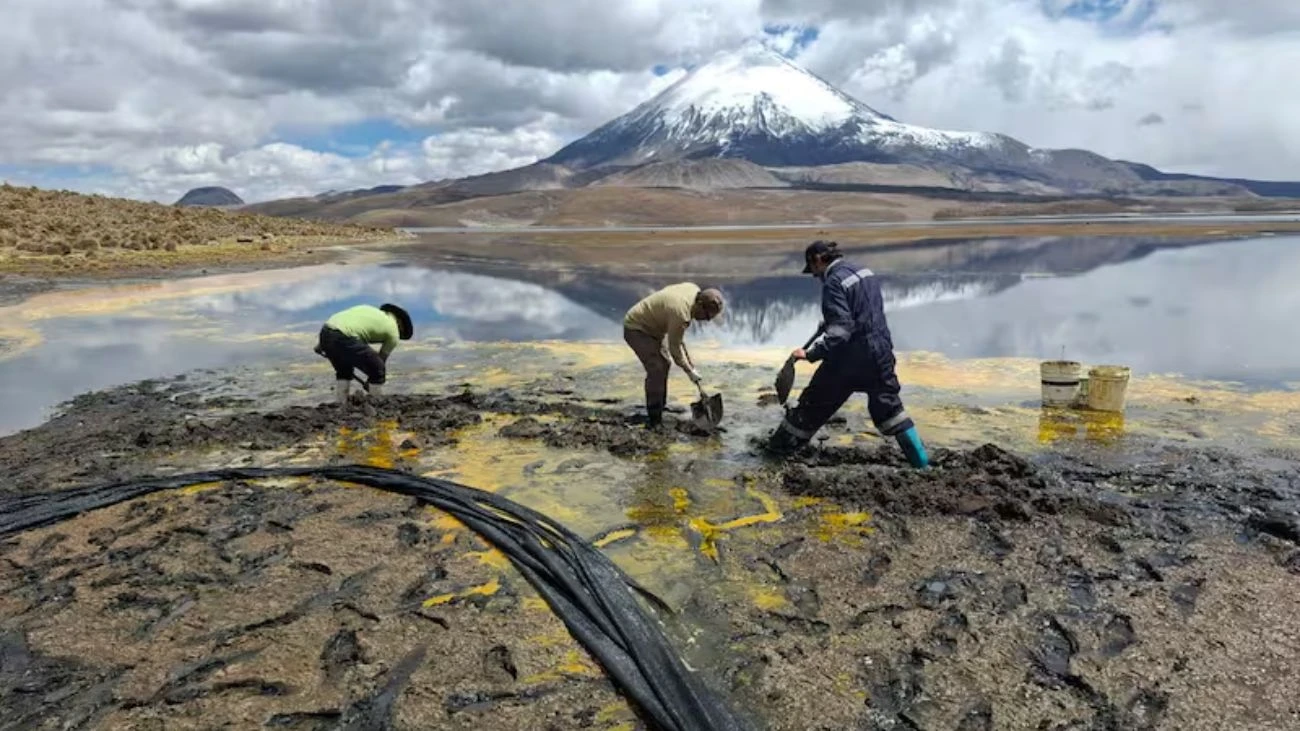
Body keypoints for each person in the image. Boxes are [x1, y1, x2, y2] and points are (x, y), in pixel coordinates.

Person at [766, 241, 929, 468]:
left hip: (848, 360)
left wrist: (810, 353)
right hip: (880, 352)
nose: (815, 276)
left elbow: (841, 332)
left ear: (818, 260)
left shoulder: (833, 283)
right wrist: (833, 320)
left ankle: (775, 453)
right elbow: (864, 311)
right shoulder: (864, 272)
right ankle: (922, 465)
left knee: (812, 405)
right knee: (891, 409)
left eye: (813, 270)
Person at [623, 283, 725, 428]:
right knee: (656, 368)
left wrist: (689, 365)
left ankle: (660, 404)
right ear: (700, 304)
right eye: (707, 316)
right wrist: (689, 371)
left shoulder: (693, 289)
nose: (705, 321)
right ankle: (654, 420)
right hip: (637, 328)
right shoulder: (681, 314)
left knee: (665, 363)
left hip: (654, 327)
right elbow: (675, 349)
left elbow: (678, 337)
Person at [314, 302, 413, 404]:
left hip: (325, 332)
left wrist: (321, 345)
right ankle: (376, 402)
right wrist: (373, 381)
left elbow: (342, 324)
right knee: (378, 368)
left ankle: (340, 402)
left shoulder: (367, 310)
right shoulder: (394, 332)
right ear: (400, 324)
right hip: (345, 336)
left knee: (344, 369)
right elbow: (381, 361)